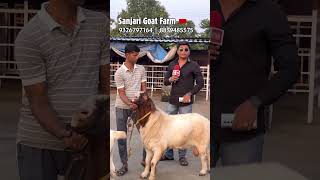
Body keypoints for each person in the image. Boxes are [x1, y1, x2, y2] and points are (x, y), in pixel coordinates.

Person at [14, 0, 109, 179]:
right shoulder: (29, 36)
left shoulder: (100, 24)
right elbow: (38, 101)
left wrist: (100, 127)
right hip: (38, 142)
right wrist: (64, 134)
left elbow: (106, 85)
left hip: (88, 141)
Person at [210, 0, 299, 168]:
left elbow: (290, 68)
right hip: (201, 124)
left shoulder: (268, 11)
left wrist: (256, 102)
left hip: (242, 127)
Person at [162, 41, 204, 166]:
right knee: (168, 127)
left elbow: (200, 83)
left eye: (186, 49)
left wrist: (190, 94)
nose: (184, 52)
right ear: (177, 51)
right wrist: (170, 79)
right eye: (181, 49)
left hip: (186, 102)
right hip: (173, 100)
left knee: (185, 129)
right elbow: (165, 81)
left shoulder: (194, 65)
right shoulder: (172, 64)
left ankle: (182, 157)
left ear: (189, 52)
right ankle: (169, 155)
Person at [114, 43, 147, 176]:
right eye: (135, 54)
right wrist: (130, 104)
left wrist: (144, 98)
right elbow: (121, 93)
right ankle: (124, 165)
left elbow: (144, 88)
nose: (137, 57)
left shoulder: (141, 69)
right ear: (127, 55)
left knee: (146, 134)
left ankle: (146, 160)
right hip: (122, 107)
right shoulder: (119, 72)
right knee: (122, 137)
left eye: (137, 54)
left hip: (138, 107)